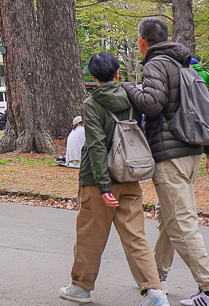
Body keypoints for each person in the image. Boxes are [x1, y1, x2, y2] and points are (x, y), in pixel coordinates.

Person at [122, 18, 209, 306]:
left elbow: (152, 104)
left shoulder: (155, 64)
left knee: (180, 223)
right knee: (170, 219)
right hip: (191, 152)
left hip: (170, 156)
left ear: (142, 42)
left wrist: (130, 87)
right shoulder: (186, 63)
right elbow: (206, 109)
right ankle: (156, 278)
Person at [59, 52, 169, 306]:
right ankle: (155, 292)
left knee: (90, 235)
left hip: (98, 182)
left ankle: (80, 287)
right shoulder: (131, 98)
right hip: (130, 174)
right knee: (136, 236)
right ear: (118, 73)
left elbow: (96, 146)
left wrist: (103, 186)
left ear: (93, 76)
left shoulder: (91, 104)